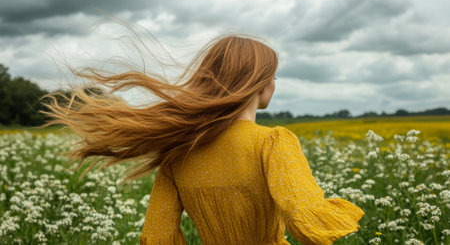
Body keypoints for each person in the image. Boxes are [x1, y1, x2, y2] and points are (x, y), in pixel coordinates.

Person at [39, 32, 364, 244]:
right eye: (273, 76)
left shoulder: (178, 153)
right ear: (259, 84)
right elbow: (306, 223)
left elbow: (157, 237)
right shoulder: (273, 142)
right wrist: (353, 215)